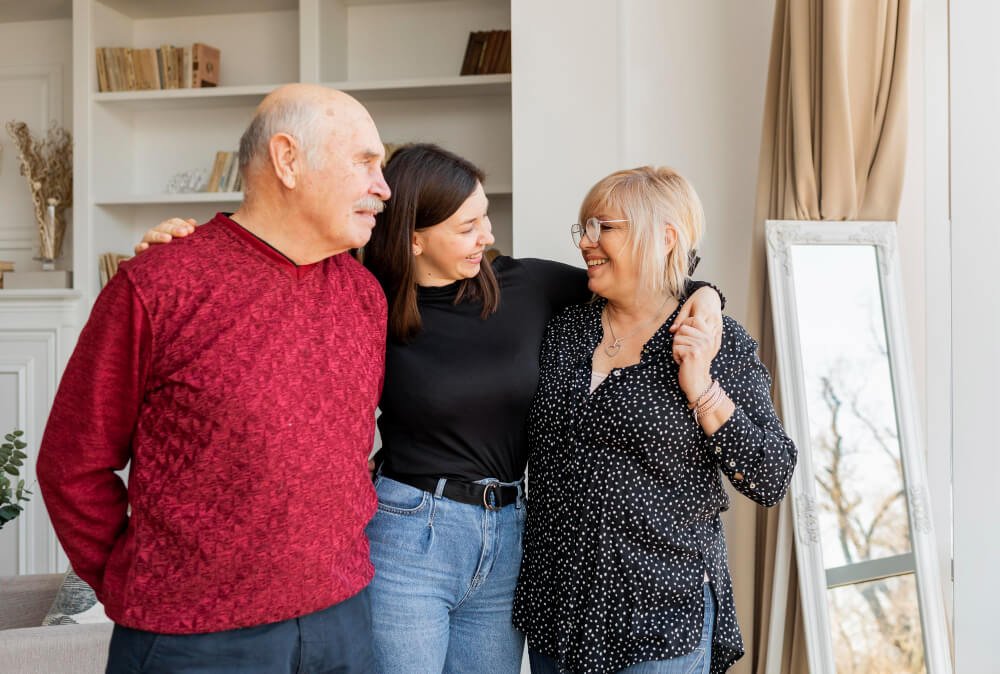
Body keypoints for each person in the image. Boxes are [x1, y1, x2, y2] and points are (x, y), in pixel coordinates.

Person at [136, 144, 724, 674]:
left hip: (509, 535)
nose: (488, 237)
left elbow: (650, 282)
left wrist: (709, 300)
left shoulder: (527, 287)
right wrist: (178, 254)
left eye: (485, 219)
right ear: (415, 236)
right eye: (468, 227)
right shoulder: (359, 298)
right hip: (408, 535)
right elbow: (258, 287)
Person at [37, 84, 391, 673]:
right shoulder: (159, 285)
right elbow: (72, 463)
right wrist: (135, 580)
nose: (383, 186)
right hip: (193, 640)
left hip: (344, 623)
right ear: (288, 160)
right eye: (364, 162)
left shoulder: (363, 295)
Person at [513, 166, 798, 674]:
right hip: (558, 613)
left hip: (660, 618)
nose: (586, 243)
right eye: (584, 229)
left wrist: (701, 388)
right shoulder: (562, 329)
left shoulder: (716, 341)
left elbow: (771, 475)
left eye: (605, 228)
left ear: (665, 237)